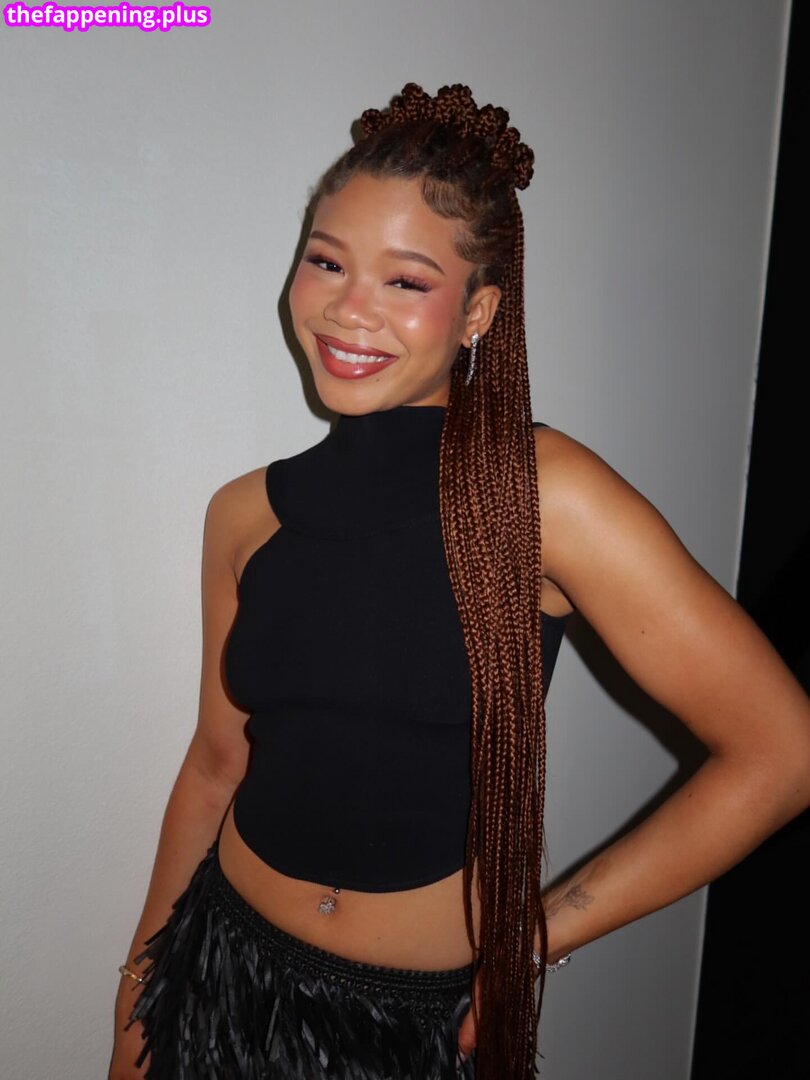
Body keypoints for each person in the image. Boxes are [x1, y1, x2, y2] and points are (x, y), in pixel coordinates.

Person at [108, 83, 810, 1080]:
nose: (349, 307)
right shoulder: (244, 513)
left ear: (478, 311)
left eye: (406, 280)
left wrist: (539, 936)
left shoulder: (545, 496)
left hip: (409, 1027)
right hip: (219, 971)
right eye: (327, 261)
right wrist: (139, 991)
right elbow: (218, 764)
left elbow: (782, 753)